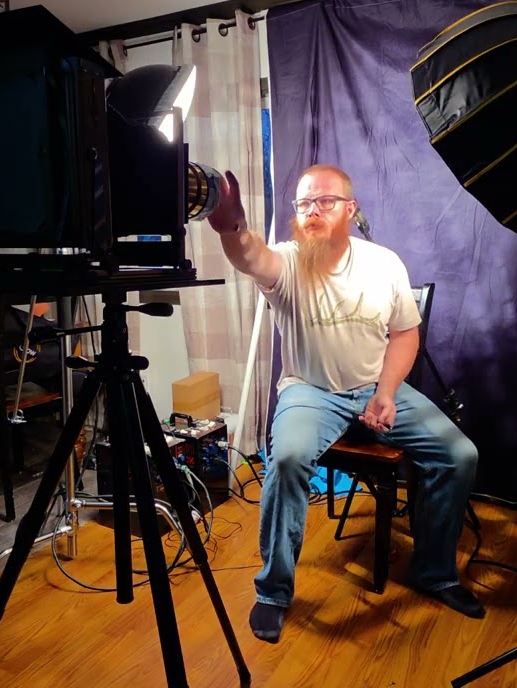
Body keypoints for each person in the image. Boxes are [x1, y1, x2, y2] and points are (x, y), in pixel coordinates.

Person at [206, 164, 484, 644]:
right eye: (303, 203)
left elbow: (404, 335)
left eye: (325, 201)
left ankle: (435, 572)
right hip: (309, 391)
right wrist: (232, 226)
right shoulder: (289, 261)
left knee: (460, 456)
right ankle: (273, 591)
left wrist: (387, 392)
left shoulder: (385, 263)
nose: (312, 211)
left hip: (376, 386)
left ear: (351, 209)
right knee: (288, 459)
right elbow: (251, 256)